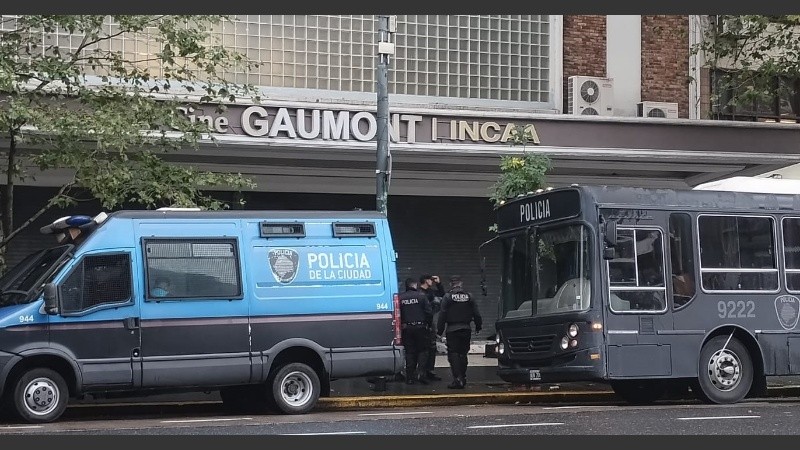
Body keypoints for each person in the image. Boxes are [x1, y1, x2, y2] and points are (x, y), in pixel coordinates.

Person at [437, 275, 482, 389]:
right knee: (463, 354)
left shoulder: (447, 297)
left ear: (451, 284)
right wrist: (478, 326)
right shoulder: (469, 296)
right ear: (461, 284)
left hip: (452, 329)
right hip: (466, 328)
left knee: (454, 354)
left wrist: (439, 330)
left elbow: (442, 315)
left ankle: (458, 379)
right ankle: (463, 377)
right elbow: (476, 313)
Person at [398, 277, 432, 385]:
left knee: (410, 352)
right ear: (415, 285)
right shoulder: (421, 296)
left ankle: (410, 377)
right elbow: (428, 312)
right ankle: (421, 374)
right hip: (421, 327)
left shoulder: (400, 298)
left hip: (407, 328)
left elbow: (398, 314)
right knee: (423, 351)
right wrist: (428, 325)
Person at [419, 274, 445, 381]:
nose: (432, 281)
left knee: (432, 347)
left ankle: (430, 370)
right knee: (424, 348)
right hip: (423, 322)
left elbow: (442, 295)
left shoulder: (430, 292)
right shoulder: (420, 293)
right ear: (426, 281)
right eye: (431, 280)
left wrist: (439, 283)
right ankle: (423, 371)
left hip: (431, 321)